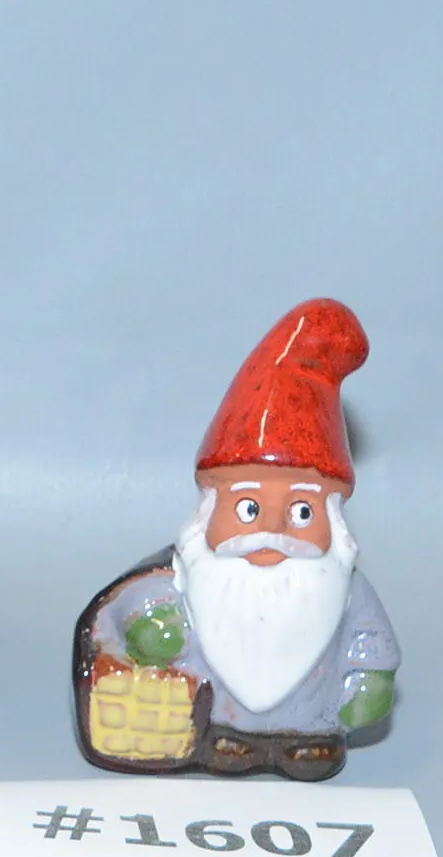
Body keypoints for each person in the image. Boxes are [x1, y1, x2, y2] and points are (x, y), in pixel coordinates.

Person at [73, 298, 396, 780]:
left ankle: (307, 739)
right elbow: (133, 608)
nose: (273, 530)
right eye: (249, 508)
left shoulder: (345, 591)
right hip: (219, 722)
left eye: (302, 511)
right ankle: (231, 737)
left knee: (310, 747)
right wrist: (152, 627)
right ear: (210, 510)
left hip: (312, 723)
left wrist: (370, 679)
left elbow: (370, 639)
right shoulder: (187, 577)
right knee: (228, 742)